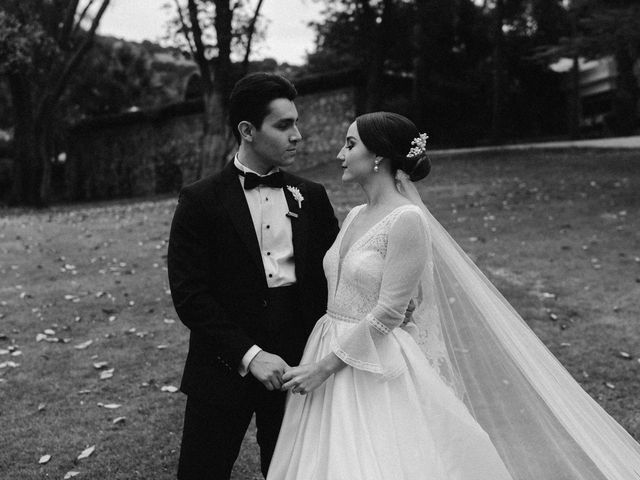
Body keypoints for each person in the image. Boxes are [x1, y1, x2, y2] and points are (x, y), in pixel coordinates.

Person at [267, 112, 640, 480]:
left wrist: (324, 367)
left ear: (378, 155)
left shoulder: (407, 219)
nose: (339, 154)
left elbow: (389, 313)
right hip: (328, 342)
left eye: (350, 144)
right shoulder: (354, 215)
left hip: (369, 363)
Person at [167, 72, 339, 479]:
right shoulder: (199, 200)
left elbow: (336, 276)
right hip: (222, 363)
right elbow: (190, 295)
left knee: (292, 473)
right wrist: (251, 355)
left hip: (298, 367)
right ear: (247, 130)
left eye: (296, 122)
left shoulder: (311, 196)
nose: (297, 135)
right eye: (283, 125)